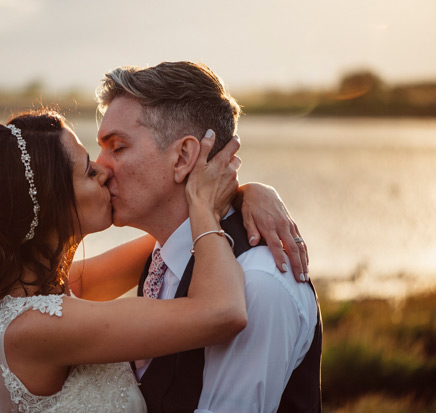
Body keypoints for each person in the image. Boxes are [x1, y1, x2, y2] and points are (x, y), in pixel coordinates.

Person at [0, 109, 299, 412]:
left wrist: (249, 193)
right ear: (53, 206)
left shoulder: (43, 293)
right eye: (87, 170)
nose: (105, 171)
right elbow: (222, 312)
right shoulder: (38, 328)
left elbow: (172, 236)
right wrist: (203, 204)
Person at [95, 61, 322, 412]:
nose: (100, 166)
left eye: (117, 147)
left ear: (184, 156)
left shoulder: (257, 282)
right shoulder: (165, 255)